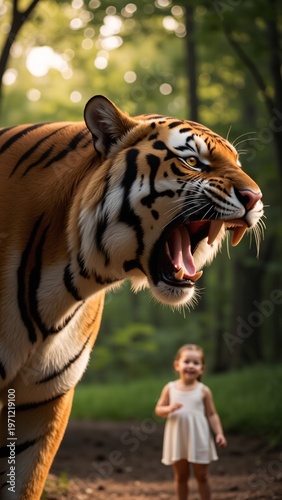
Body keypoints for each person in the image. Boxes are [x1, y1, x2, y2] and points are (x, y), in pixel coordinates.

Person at [155, 344, 227, 500]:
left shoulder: (203, 390)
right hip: (178, 439)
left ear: (202, 368)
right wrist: (168, 409)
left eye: (196, 363)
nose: (190, 366)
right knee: (181, 476)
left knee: (202, 476)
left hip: (198, 439)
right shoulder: (170, 388)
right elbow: (159, 410)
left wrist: (219, 433)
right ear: (177, 365)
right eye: (187, 361)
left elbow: (212, 414)